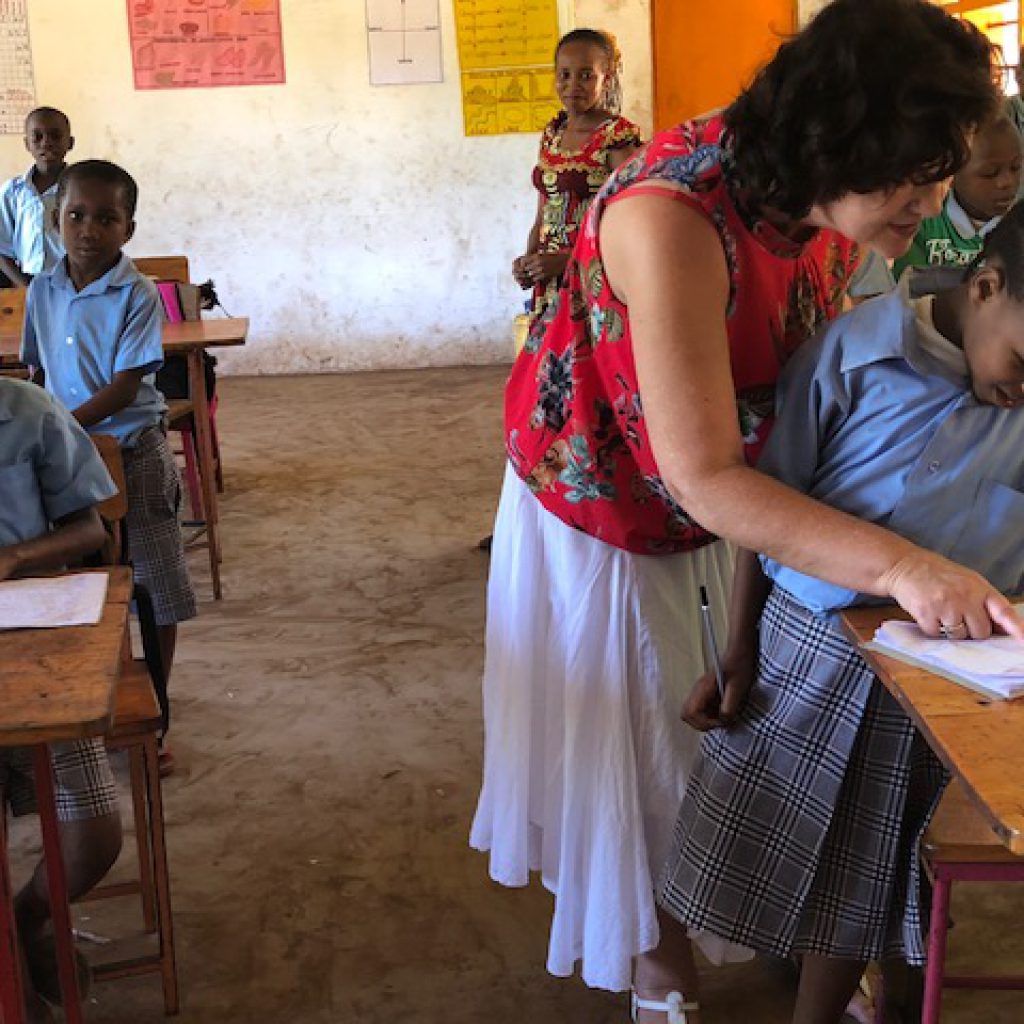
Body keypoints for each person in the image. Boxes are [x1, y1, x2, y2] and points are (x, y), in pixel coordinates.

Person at [469, 2, 1013, 1021]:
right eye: (919, 171)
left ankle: (771, 925)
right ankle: (655, 966)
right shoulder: (667, 218)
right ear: (846, 137)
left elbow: (806, 378)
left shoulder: (813, 195)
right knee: (636, 735)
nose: (934, 199)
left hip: (726, 492)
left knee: (722, 719)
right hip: (609, 506)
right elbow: (704, 476)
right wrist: (902, 566)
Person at [661, 202, 1024, 1024]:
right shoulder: (853, 357)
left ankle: (824, 1008)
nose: (1022, 389)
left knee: (867, 865)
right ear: (987, 285)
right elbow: (766, 507)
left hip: (934, 679)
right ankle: (775, 965)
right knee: (769, 824)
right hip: (804, 648)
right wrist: (736, 649)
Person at [21, 159, 197, 771]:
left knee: (152, 579)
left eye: (106, 218)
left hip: (131, 450)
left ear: (129, 227)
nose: (88, 229)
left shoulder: (137, 293)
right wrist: (44, 431)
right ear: (54, 219)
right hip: (66, 458)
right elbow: (37, 373)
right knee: (75, 575)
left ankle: (155, 713)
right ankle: (83, 699)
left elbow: (126, 386)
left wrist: (56, 429)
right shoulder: (41, 290)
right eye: (75, 215)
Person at [0, 375, 122, 1021]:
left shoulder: (27, 409)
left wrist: (17, 555)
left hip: (36, 641)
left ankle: (23, 921)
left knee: (93, 836)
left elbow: (89, 530)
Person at [512, 29, 642, 327]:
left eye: (586, 76)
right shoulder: (552, 135)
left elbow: (631, 225)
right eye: (565, 75)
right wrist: (529, 260)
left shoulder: (617, 138)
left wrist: (570, 260)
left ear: (606, 79)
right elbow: (542, 214)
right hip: (551, 282)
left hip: (595, 281)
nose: (573, 86)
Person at [893, 114, 1022, 278]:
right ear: (951, 175)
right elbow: (910, 290)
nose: (1007, 182)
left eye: (1016, 167)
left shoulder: (1018, 227)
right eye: (990, 173)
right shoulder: (921, 223)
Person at [0, 107, 74, 287]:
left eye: (56, 136)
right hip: (25, 281)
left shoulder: (80, 189)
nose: (46, 143)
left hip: (71, 282)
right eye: (37, 137)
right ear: (27, 144)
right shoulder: (13, 192)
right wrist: (26, 289)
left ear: (70, 143)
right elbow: (2, 249)